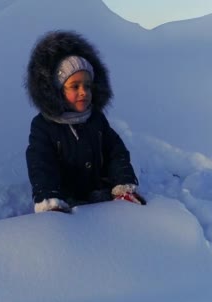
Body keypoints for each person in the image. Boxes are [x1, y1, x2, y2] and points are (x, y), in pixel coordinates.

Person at [25, 30, 145, 213]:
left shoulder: (96, 119)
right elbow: (41, 165)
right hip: (67, 204)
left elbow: (116, 152)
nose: (84, 92)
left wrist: (122, 183)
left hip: (101, 197)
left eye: (87, 86)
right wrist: (49, 197)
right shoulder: (44, 126)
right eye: (75, 86)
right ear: (58, 90)